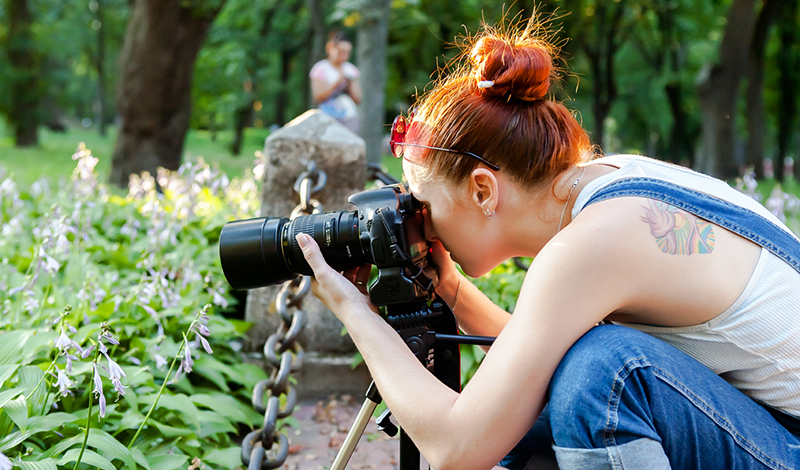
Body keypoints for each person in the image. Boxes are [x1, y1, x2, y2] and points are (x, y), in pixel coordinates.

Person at [294, 17, 800, 470]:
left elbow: (457, 448)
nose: (422, 226)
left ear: (482, 189)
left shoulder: (590, 245)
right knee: (530, 401)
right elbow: (534, 358)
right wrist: (451, 290)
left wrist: (353, 311)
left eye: (424, 206)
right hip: (767, 427)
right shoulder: (611, 185)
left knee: (606, 373)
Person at [310, 31, 362, 134]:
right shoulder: (321, 68)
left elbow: (358, 99)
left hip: (349, 117)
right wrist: (337, 82)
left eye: (347, 53)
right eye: (341, 52)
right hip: (327, 117)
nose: (344, 57)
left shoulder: (351, 70)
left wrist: (349, 85)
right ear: (330, 48)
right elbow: (317, 97)